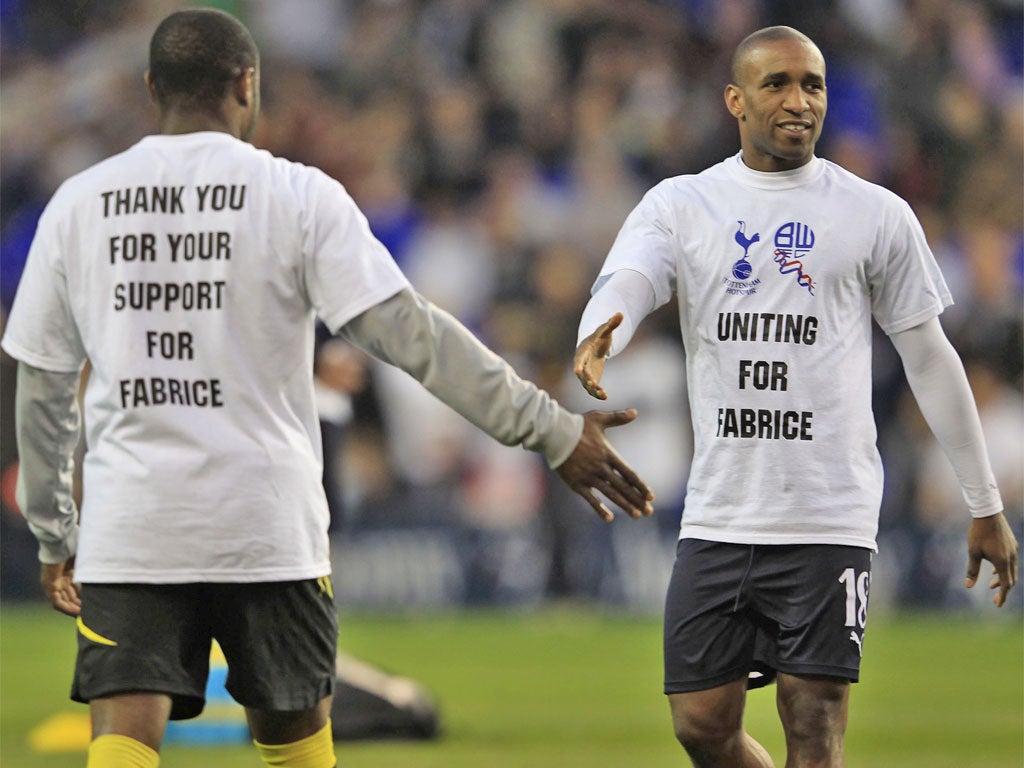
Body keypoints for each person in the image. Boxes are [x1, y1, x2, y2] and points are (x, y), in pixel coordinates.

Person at [2, 9, 654, 768]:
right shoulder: (297, 196)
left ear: (152, 87)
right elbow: (418, 338)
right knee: (297, 749)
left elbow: (43, 386)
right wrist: (550, 427)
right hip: (267, 526)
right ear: (248, 86)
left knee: (122, 738)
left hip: (132, 525)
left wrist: (53, 531)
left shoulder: (79, 203)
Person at [573, 25, 1018, 768]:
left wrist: (984, 502)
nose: (798, 100)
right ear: (735, 100)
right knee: (700, 725)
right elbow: (630, 281)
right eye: (777, 83)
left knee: (814, 722)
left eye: (812, 84)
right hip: (721, 511)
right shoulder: (685, 203)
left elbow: (930, 358)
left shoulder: (874, 213)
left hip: (826, 514)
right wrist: (599, 335)